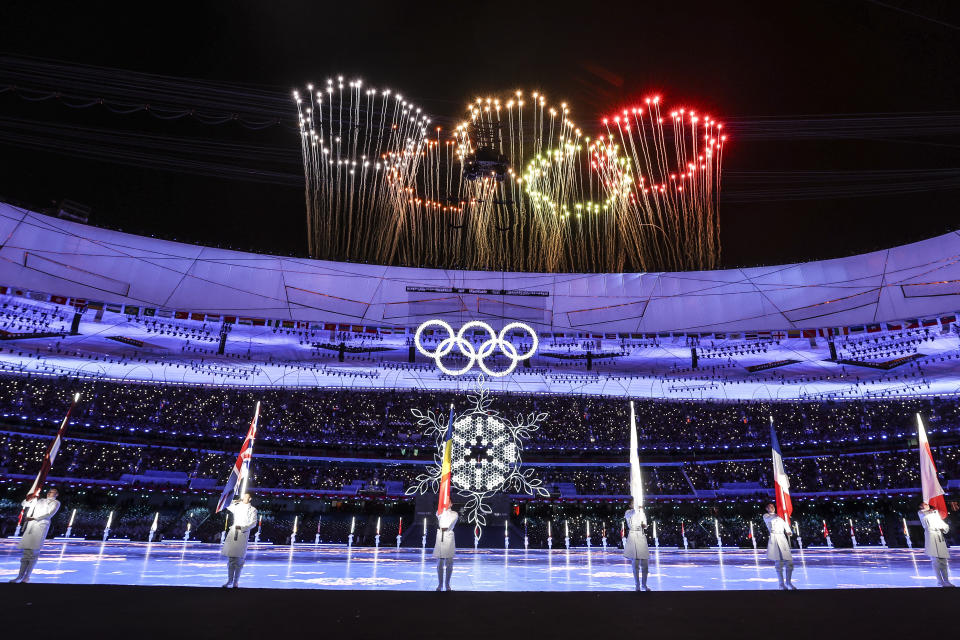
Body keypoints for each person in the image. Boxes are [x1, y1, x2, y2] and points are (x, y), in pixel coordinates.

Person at [9, 488, 60, 584]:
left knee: (33, 552)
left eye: (52, 492)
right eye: (48, 491)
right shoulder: (39, 500)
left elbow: (49, 514)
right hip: (31, 526)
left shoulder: (56, 502)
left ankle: (27, 577)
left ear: (56, 494)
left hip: (41, 526)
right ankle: (19, 576)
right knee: (26, 553)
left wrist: (34, 518)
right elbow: (24, 504)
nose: (49, 493)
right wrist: (29, 498)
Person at [221, 492, 258, 588]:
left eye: (246, 497)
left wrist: (243, 528)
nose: (244, 498)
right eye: (243, 496)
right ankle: (229, 580)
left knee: (239, 559)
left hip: (242, 534)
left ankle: (235, 581)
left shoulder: (253, 510)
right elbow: (227, 504)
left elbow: (253, 523)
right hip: (233, 533)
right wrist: (236, 500)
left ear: (250, 499)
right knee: (231, 558)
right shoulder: (237, 506)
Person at [918, 502, 954, 587]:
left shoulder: (934, 513)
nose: (927, 505)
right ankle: (940, 581)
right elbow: (924, 514)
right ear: (921, 506)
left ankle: (946, 581)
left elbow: (943, 524)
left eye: (927, 504)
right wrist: (932, 511)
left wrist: (944, 527)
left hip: (939, 537)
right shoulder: (921, 513)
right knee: (936, 561)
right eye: (924, 504)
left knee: (944, 561)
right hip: (931, 536)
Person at [763, 503, 796, 590]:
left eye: (773, 506)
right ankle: (781, 584)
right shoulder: (766, 516)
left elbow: (785, 524)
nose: (772, 507)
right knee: (779, 563)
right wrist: (781, 514)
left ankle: (789, 583)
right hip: (774, 538)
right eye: (770, 506)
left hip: (782, 538)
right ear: (767, 508)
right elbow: (771, 520)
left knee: (789, 562)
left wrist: (788, 531)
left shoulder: (779, 516)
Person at [623, 506, 651, 591]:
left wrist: (644, 525)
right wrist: (636, 509)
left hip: (641, 536)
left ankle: (644, 585)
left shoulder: (642, 513)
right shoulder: (628, 512)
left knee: (645, 564)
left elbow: (645, 525)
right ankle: (637, 585)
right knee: (635, 564)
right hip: (633, 536)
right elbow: (629, 515)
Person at [433, 507, 458, 591]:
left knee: (449, 563)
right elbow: (438, 516)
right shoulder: (440, 511)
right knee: (440, 563)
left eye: (449, 502)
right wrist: (442, 509)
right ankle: (440, 584)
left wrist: (445, 511)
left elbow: (448, 524)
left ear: (451, 503)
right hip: (440, 536)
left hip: (449, 536)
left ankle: (447, 584)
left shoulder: (454, 513)